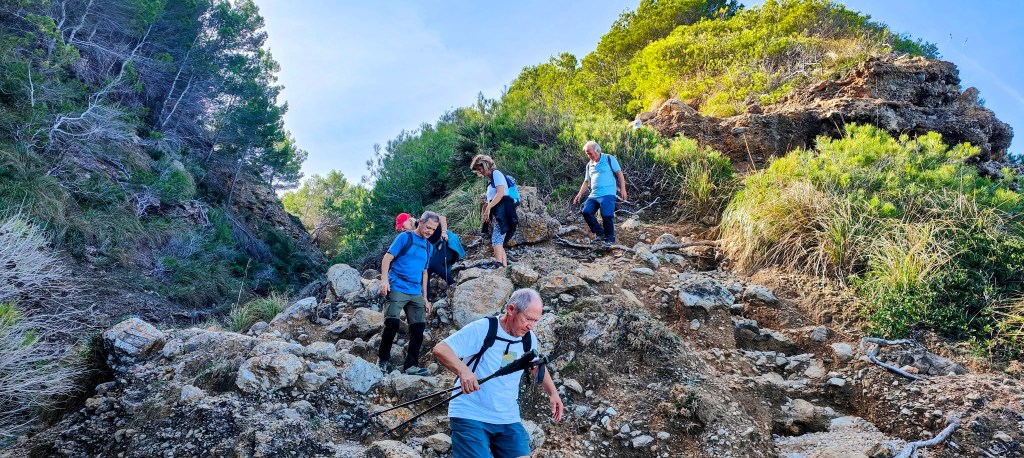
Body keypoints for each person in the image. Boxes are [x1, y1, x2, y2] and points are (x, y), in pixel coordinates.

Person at [432, 288, 563, 458]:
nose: (531, 326)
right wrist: (464, 372)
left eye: (535, 321)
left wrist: (553, 393)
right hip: (470, 414)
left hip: (507, 417)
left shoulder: (528, 338)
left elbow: (535, 365)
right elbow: (441, 349)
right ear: (511, 310)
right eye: (528, 319)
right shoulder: (483, 329)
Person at [379, 211, 439, 376]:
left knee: (419, 328)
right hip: (397, 285)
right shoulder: (405, 238)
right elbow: (387, 258)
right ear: (420, 221)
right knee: (392, 323)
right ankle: (382, 360)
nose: (429, 232)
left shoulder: (429, 246)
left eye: (433, 230)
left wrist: (425, 298)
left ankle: (410, 366)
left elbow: (425, 272)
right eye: (428, 227)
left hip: (415, 291)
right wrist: (384, 280)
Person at [572, 140, 628, 246]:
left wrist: (623, 189)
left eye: (590, 153)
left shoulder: (609, 158)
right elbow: (586, 181)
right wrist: (579, 194)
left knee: (606, 214)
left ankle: (610, 238)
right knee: (586, 211)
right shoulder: (589, 165)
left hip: (608, 193)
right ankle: (600, 234)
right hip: (594, 194)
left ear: (597, 150)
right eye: (587, 154)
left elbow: (620, 174)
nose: (589, 156)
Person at [470, 154, 520, 267]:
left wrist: (488, 207)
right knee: (498, 239)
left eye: (480, 168)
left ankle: (498, 265)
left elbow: (500, 193)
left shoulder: (496, 174)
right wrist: (487, 209)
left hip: (504, 209)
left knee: (497, 238)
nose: (480, 172)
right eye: (478, 170)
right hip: (499, 210)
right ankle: (504, 267)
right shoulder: (491, 180)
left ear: (486, 165)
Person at [395, 212, 456, 287]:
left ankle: (453, 284)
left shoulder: (422, 221)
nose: (402, 229)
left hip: (448, 243)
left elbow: (442, 218)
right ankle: (426, 297)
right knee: (425, 270)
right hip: (439, 247)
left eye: (403, 226)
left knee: (433, 264)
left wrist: (444, 232)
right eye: (400, 228)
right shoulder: (414, 235)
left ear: (409, 221)